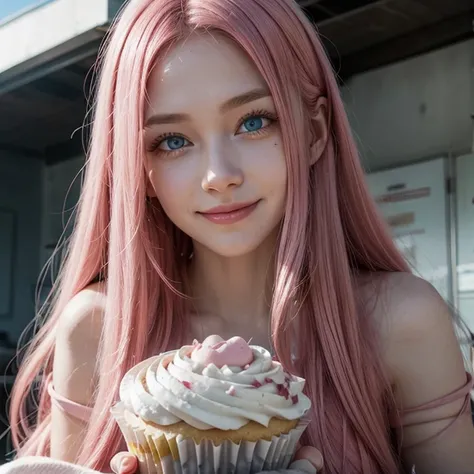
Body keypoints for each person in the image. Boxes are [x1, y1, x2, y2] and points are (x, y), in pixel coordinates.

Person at [7, 0, 474, 473]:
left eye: (254, 121)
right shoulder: (95, 328)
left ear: (313, 131)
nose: (218, 176)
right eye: (172, 141)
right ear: (139, 167)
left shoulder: (401, 323)